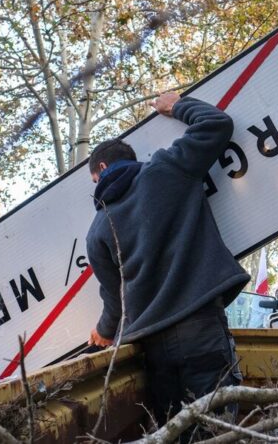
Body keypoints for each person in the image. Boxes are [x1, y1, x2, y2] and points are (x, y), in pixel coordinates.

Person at [86, 92, 250, 435]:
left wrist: (102, 331)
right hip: (201, 328)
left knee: (172, 434)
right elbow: (217, 124)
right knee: (215, 432)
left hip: (153, 347)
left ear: (101, 169)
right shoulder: (167, 169)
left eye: (93, 180)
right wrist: (175, 105)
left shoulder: (98, 230)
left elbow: (115, 301)